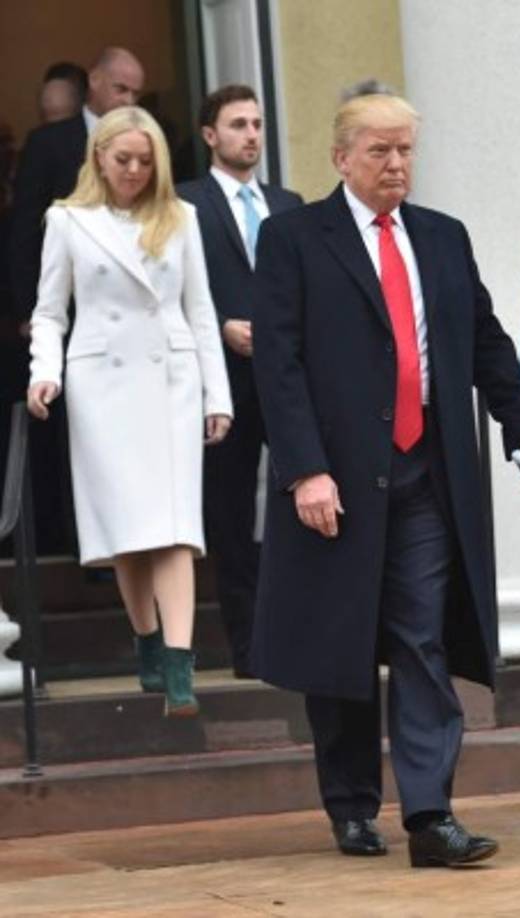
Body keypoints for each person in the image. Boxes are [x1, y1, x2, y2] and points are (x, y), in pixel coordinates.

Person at [250, 91, 520, 867]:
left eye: (406, 150)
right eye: (380, 151)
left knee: (422, 635)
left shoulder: (443, 237)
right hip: (337, 477)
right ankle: (353, 807)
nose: (396, 165)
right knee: (341, 643)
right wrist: (306, 471)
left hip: (427, 472)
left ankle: (430, 816)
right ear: (341, 158)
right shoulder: (293, 239)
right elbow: (279, 365)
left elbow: (485, 341)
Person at [25, 106, 233, 716]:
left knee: (174, 528)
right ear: (99, 157)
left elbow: (200, 310)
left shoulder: (182, 217)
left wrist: (217, 395)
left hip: (170, 382)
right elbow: (49, 312)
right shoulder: (67, 220)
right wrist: (44, 373)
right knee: (128, 532)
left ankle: (179, 665)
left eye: (145, 161)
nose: (135, 171)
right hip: (103, 387)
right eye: (124, 160)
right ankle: (146, 638)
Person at [177, 85, 303, 678]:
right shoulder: (184, 204)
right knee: (229, 513)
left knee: (305, 496)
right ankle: (248, 647)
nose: (251, 134)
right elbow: (169, 289)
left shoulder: (287, 202)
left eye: (256, 123)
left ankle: (302, 634)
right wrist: (220, 325)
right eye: (237, 124)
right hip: (221, 381)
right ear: (210, 135)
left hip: (287, 376)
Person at [11, 47, 145, 556]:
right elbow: (25, 229)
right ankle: (83, 548)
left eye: (136, 92)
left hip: (135, 325)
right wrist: (28, 311)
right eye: (121, 89)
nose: (129, 101)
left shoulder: (147, 143)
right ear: (95, 82)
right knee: (76, 436)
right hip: (70, 316)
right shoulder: (50, 143)